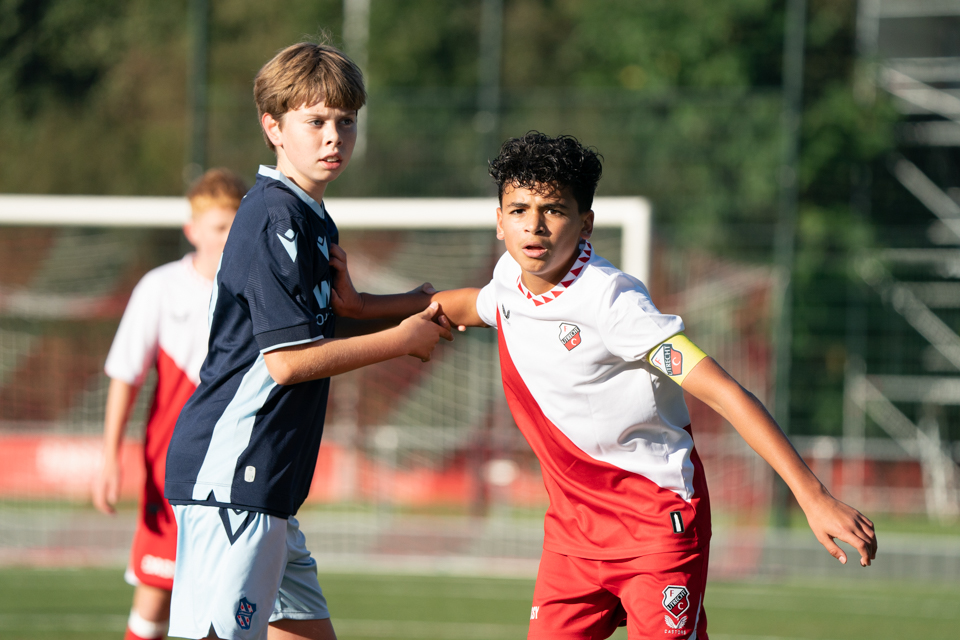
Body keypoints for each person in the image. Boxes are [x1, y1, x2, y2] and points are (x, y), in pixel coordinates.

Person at [340, 131, 879, 639]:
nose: (536, 227)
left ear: (586, 223)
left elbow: (723, 390)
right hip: (572, 536)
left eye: (554, 210)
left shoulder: (614, 303)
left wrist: (813, 496)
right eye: (520, 211)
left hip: (655, 524)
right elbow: (467, 305)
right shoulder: (509, 279)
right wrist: (364, 306)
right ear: (499, 222)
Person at [162, 41, 451, 640]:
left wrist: (422, 303)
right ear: (273, 126)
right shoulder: (274, 216)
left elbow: (336, 312)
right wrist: (402, 339)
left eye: (346, 122)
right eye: (315, 121)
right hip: (235, 474)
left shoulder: (311, 217)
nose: (333, 137)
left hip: (272, 481)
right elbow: (288, 364)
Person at [94, 168, 248, 640]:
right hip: (169, 470)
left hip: (235, 471)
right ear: (192, 230)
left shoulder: (255, 291)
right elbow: (125, 376)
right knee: (154, 598)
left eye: (235, 227)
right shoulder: (160, 287)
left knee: (230, 609)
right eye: (219, 227)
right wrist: (109, 459)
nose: (228, 238)